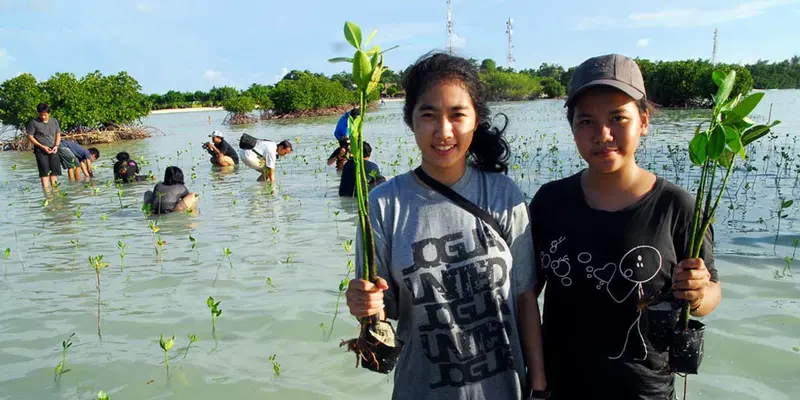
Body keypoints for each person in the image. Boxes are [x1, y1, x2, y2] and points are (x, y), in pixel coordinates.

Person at [345, 53, 547, 399]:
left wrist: (540, 387)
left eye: (457, 115)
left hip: (505, 390)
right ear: (410, 120)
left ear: (475, 119)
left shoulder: (503, 195)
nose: (443, 132)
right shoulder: (383, 205)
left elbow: (526, 298)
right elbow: (384, 309)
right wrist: (362, 303)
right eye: (428, 115)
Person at [528, 54, 721, 399]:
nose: (603, 135)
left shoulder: (677, 207)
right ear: (572, 126)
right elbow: (527, 294)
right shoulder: (550, 201)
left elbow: (711, 295)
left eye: (618, 118)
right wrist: (538, 385)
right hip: (561, 387)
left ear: (643, 121)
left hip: (646, 390)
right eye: (586, 121)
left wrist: (698, 291)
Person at [26, 103, 62, 190]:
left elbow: (58, 133)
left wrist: (56, 146)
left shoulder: (54, 121)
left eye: (45, 115)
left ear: (49, 113)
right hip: (40, 150)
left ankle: (55, 192)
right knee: (44, 173)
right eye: (41, 115)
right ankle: (47, 194)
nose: (43, 117)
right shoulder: (33, 122)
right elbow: (30, 136)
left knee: (54, 173)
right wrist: (42, 147)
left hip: (54, 149)